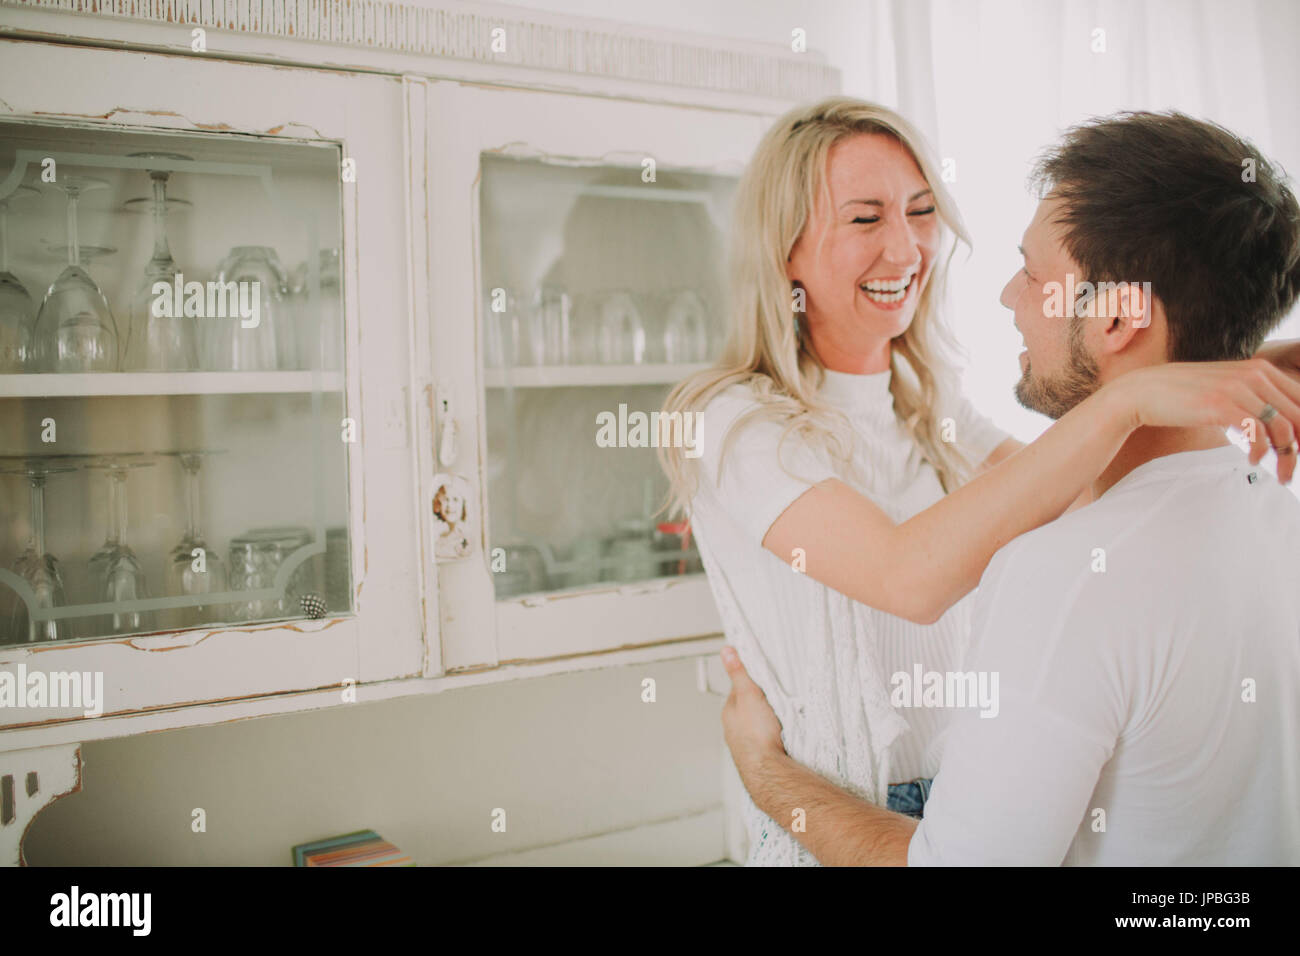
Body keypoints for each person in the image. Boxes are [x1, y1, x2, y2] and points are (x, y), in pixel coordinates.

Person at [657, 96, 1300, 866]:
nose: (906, 248)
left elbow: (1095, 500)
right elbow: (907, 574)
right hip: (835, 820)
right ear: (783, 249)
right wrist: (1131, 395)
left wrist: (1227, 362)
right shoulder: (733, 423)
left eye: (922, 210)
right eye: (866, 219)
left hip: (974, 800)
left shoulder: (937, 414)